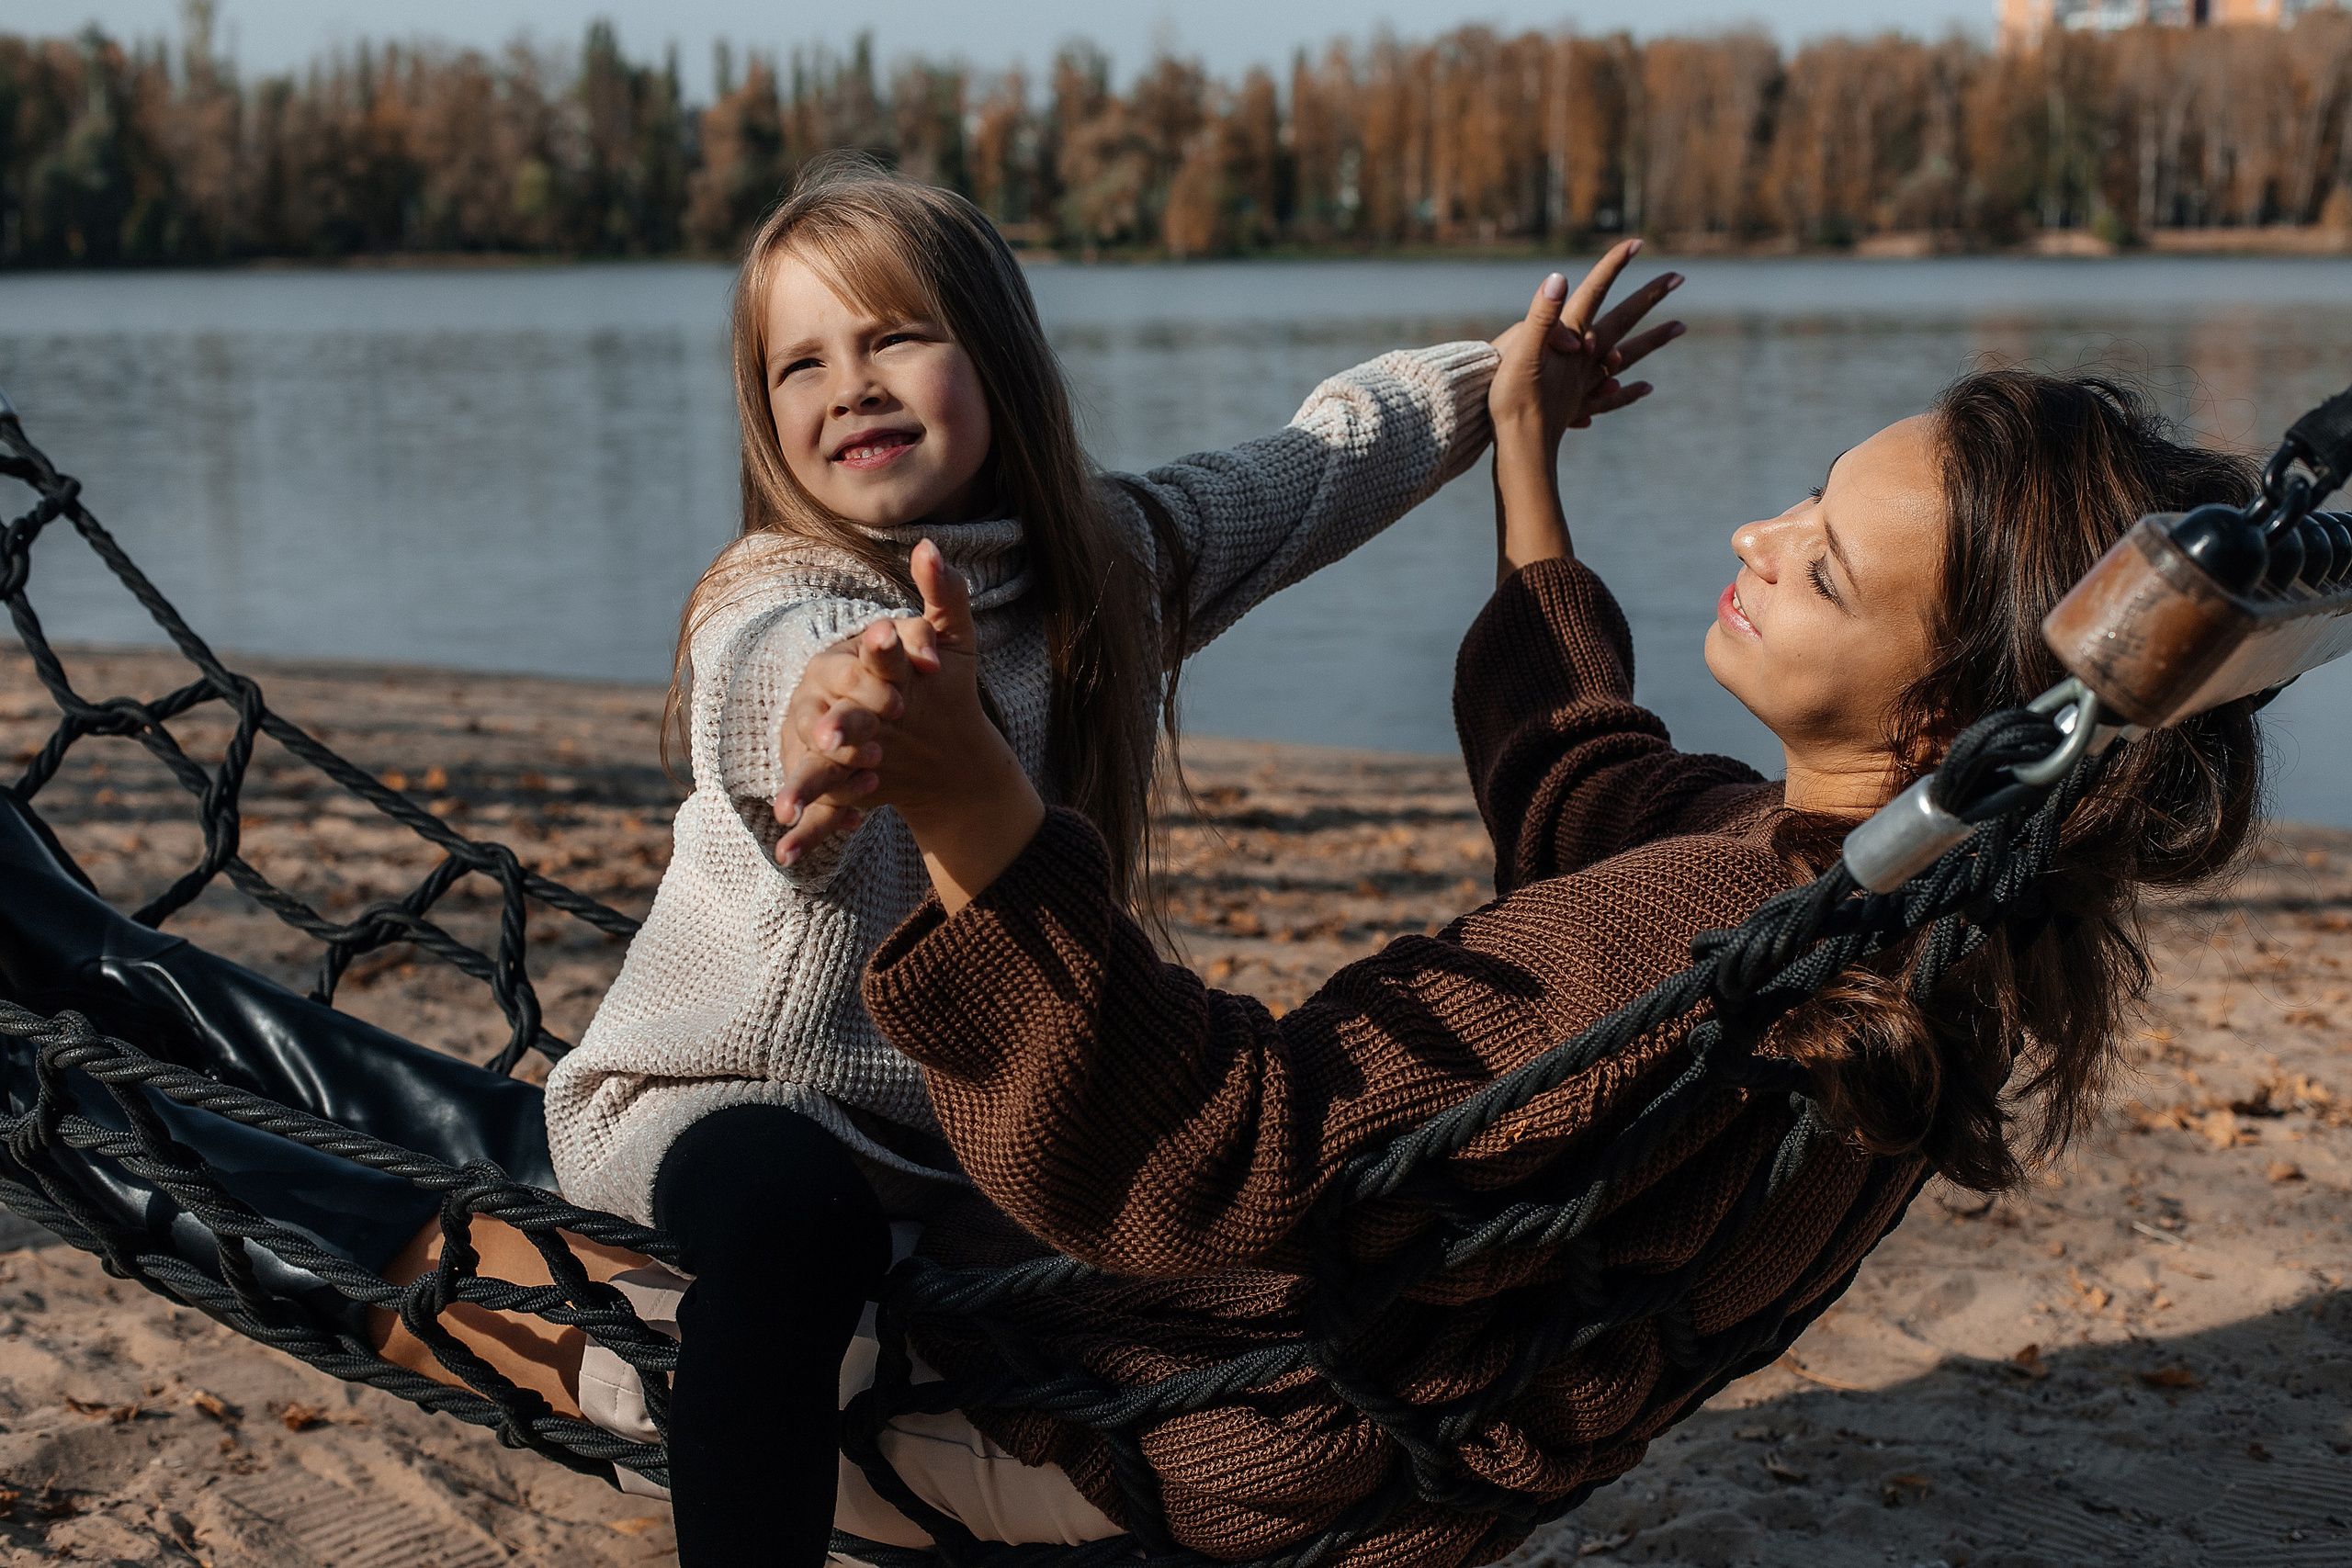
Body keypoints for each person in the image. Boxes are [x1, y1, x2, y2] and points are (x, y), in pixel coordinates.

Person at [525, 154, 1685, 1566]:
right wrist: (841, 704)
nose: (851, 386)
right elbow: (764, 673)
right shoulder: (781, 589)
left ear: (997, 355)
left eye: (894, 336)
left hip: (975, 1135)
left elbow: (1323, 460)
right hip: (729, 1093)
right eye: (800, 366)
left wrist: (1503, 378)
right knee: (795, 1233)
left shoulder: (1112, 561)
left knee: (1212, 1261)